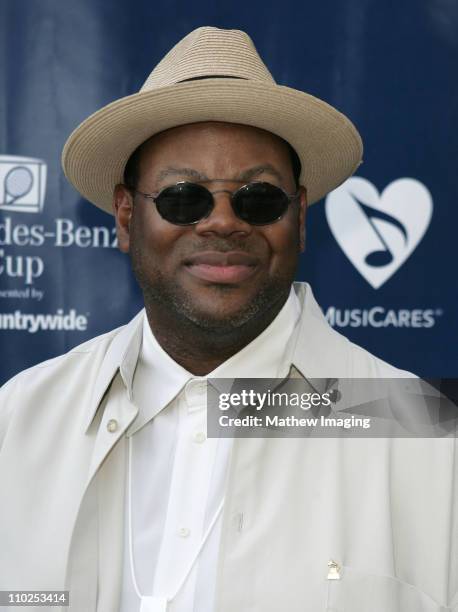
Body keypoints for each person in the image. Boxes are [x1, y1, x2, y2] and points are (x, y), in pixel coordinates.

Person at [0, 26, 456, 612]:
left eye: (258, 198)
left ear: (300, 220)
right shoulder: (21, 420)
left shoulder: (425, 433)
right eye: (183, 197)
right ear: (124, 216)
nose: (221, 223)